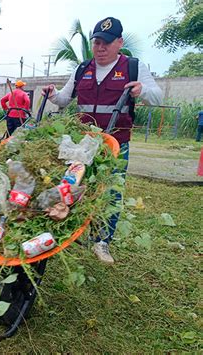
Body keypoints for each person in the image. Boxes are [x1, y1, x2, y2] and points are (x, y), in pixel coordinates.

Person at [42, 17, 163, 264]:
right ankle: (71, 231)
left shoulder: (133, 67)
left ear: (119, 42)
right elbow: (65, 98)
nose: (100, 47)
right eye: (97, 41)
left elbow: (157, 97)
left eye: (106, 43)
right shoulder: (82, 69)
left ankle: (102, 241)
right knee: (74, 187)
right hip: (83, 144)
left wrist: (143, 91)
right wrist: (53, 94)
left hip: (115, 144)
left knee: (111, 193)